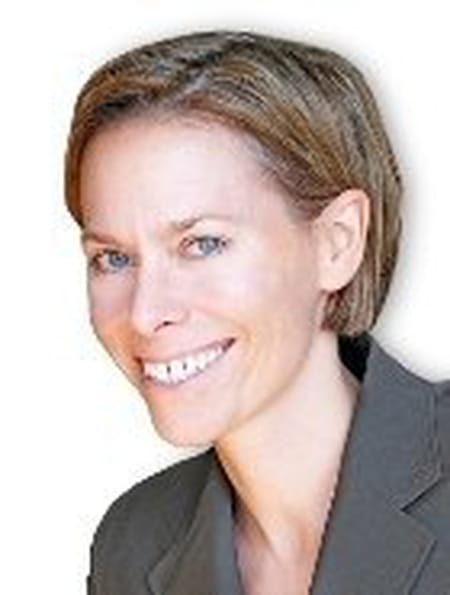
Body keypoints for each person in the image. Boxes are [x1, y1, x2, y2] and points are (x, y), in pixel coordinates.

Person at [64, 30, 450, 594]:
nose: (145, 313)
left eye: (202, 244)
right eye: (113, 258)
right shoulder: (134, 542)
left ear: (336, 242)